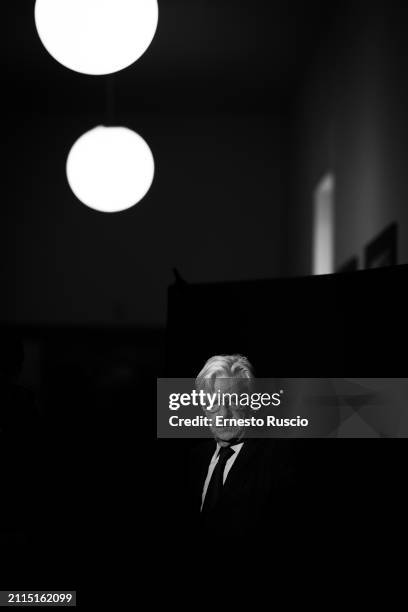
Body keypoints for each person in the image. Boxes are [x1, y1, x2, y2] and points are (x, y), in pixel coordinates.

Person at [187, 354, 296, 542]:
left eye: (234, 401)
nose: (223, 414)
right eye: (213, 402)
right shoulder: (192, 459)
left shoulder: (280, 462)